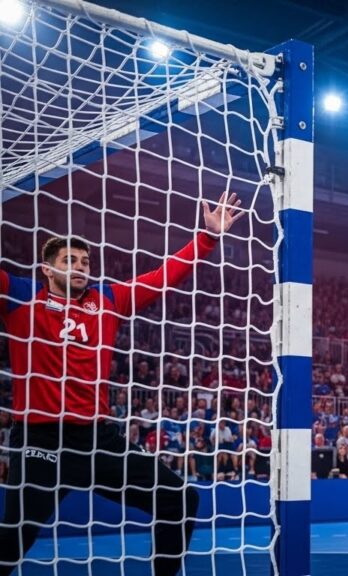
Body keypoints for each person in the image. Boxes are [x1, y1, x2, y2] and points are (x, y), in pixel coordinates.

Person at [0, 192, 243, 576]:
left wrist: (208, 237)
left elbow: (161, 278)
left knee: (179, 499)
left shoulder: (107, 299)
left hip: (97, 440)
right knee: (12, 543)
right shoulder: (20, 295)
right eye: (69, 261)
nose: (80, 267)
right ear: (47, 269)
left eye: (85, 261)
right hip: (40, 441)